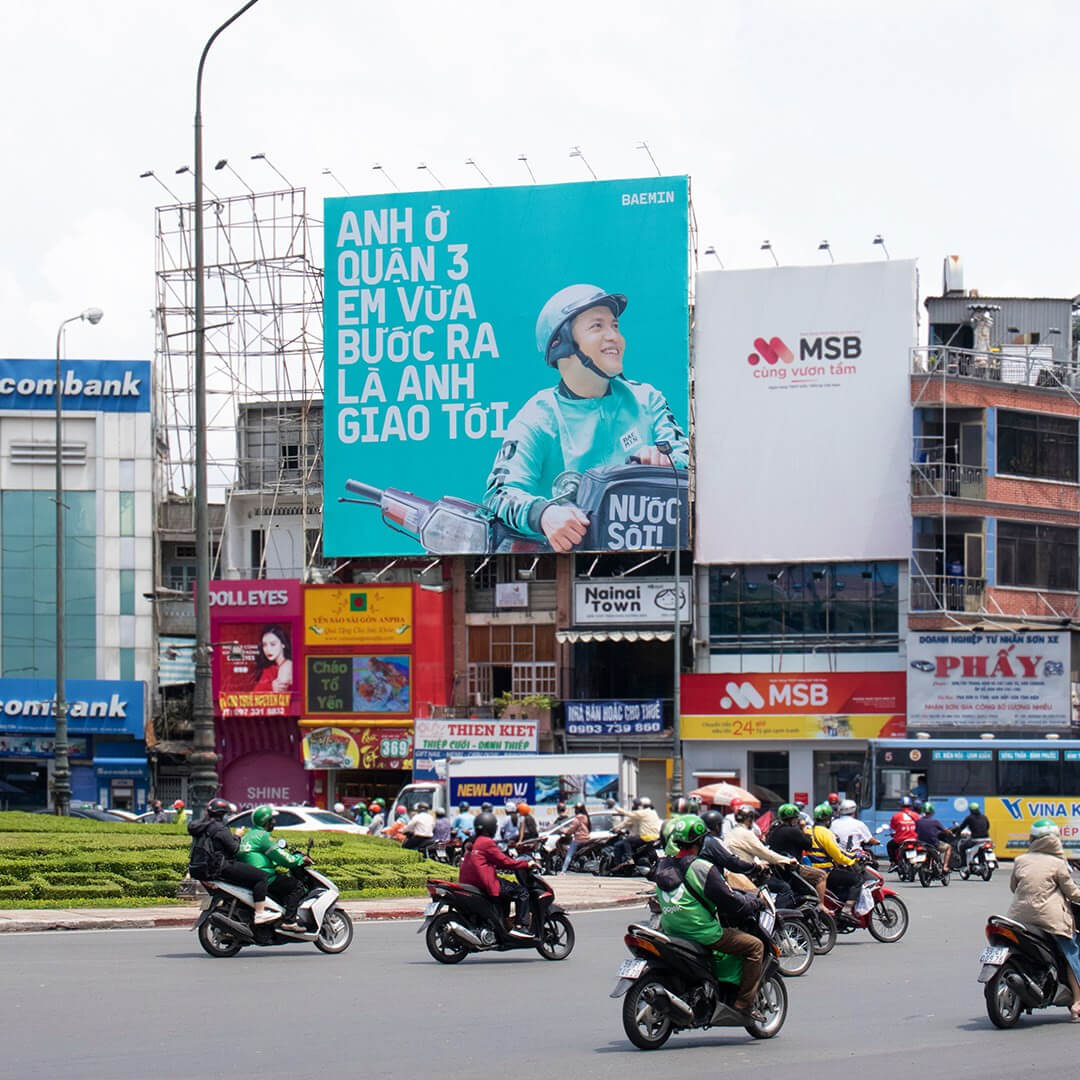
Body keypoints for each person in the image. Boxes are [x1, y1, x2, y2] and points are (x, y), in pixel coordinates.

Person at [482, 284, 688, 552]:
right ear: (561, 344)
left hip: (653, 560)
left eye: (615, 326)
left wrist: (668, 458)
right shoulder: (537, 416)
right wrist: (544, 514)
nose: (614, 336)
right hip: (567, 569)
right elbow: (499, 494)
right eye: (597, 326)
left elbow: (687, 459)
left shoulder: (648, 400)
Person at [653, 815, 765, 1021]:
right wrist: (755, 903)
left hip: (671, 930)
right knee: (755, 947)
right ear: (700, 841)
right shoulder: (702, 868)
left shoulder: (663, 865)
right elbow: (730, 901)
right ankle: (743, 1004)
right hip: (702, 933)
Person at [1006, 818, 1080, 1020]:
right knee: (1071, 954)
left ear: (1032, 839)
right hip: (1051, 921)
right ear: (1056, 839)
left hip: (1018, 920)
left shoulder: (1021, 860)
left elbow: (1014, 888)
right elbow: (1072, 893)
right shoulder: (1058, 864)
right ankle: (1077, 1003)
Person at [187, 797, 281, 924]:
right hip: (220, 867)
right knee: (261, 876)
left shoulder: (199, 827)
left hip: (200, 868)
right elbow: (234, 849)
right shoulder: (219, 828)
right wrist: (237, 835)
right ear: (222, 814)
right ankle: (260, 913)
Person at [458, 811, 533, 938]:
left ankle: (503, 922)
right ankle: (521, 927)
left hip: (469, 882)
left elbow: (488, 861)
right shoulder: (486, 842)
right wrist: (526, 864)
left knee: (506, 892)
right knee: (522, 892)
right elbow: (504, 861)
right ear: (492, 827)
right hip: (484, 882)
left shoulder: (471, 841)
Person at [237, 804, 307, 931]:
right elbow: (283, 858)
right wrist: (300, 859)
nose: (274, 822)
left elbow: (264, 857)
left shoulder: (248, 836)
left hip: (248, 876)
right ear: (266, 821)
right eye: (272, 819)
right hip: (265, 877)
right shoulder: (263, 836)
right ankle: (290, 921)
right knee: (296, 886)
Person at [765, 803, 828, 908]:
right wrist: (804, 828)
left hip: (779, 870)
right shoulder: (792, 831)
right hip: (792, 869)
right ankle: (821, 905)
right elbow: (808, 844)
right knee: (821, 876)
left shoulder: (774, 831)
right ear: (793, 819)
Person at [808, 803, 861, 913]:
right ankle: (847, 909)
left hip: (810, 870)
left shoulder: (809, 831)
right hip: (824, 871)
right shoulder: (825, 833)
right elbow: (838, 855)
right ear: (828, 819)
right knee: (857, 879)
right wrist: (854, 857)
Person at [611, 796, 663, 868]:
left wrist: (615, 806)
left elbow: (626, 821)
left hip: (645, 837)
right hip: (656, 837)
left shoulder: (640, 814)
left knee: (626, 841)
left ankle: (628, 859)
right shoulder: (653, 813)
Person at [252, 625, 293, 693]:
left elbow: (279, 697)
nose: (268, 649)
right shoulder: (271, 668)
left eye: (273, 644)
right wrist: (271, 686)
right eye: (265, 645)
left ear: (283, 644)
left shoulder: (287, 665)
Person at [915, 803, 954, 872]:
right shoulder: (935, 822)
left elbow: (915, 831)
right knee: (948, 847)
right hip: (934, 844)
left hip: (921, 844)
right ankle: (945, 867)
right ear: (932, 811)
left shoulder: (918, 821)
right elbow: (945, 830)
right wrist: (950, 832)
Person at [955, 800, 991, 866]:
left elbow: (961, 827)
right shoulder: (984, 817)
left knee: (962, 847)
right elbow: (988, 827)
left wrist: (957, 834)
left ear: (971, 810)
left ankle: (963, 864)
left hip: (975, 840)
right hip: (987, 839)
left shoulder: (969, 818)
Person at [887, 796, 919, 868]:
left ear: (900, 805)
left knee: (890, 845)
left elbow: (892, 828)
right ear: (910, 805)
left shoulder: (896, 816)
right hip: (915, 840)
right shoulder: (916, 815)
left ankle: (893, 863)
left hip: (901, 840)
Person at [559, 802, 591, 873]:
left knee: (569, 854)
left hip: (579, 839)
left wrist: (563, 831)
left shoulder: (577, 819)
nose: (574, 811)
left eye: (575, 809)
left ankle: (563, 871)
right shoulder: (586, 817)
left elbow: (571, 829)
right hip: (586, 838)